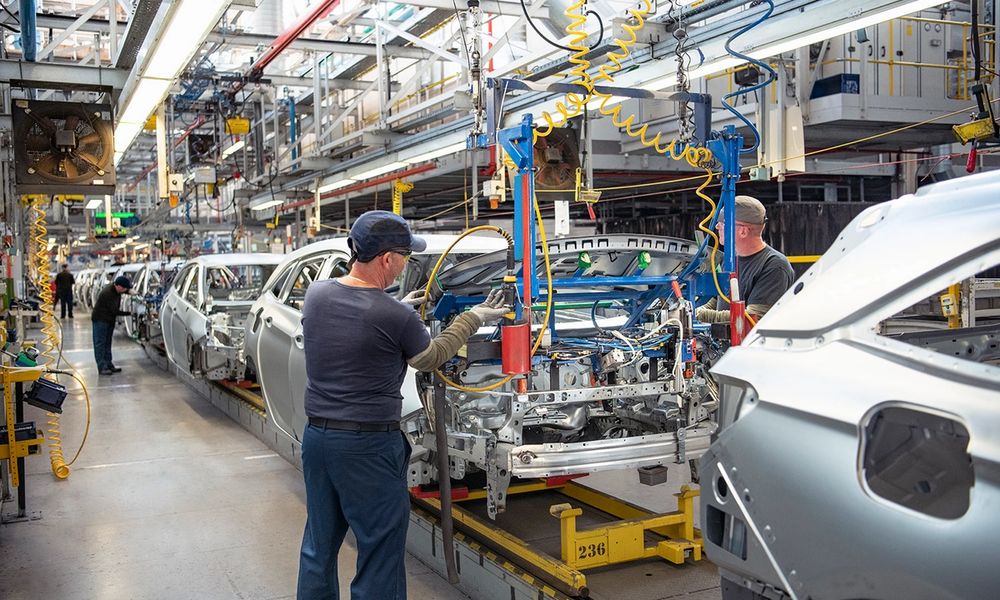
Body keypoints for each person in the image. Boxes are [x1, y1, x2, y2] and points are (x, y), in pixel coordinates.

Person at [297, 210, 509, 600]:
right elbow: (430, 357)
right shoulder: (392, 315)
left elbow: (358, 318)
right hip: (367, 449)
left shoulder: (319, 294)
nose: (405, 265)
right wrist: (472, 318)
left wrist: (398, 306)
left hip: (318, 440)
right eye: (405, 257)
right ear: (386, 259)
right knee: (379, 551)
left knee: (319, 544)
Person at [696, 195, 794, 324]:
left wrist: (697, 315)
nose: (717, 227)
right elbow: (719, 300)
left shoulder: (774, 266)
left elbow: (752, 317)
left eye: (723, 223)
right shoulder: (730, 260)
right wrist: (689, 313)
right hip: (726, 343)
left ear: (743, 231)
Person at [91, 276, 131, 375]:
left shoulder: (116, 290)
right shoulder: (107, 293)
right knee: (100, 344)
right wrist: (130, 313)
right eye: (124, 288)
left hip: (108, 320)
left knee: (107, 343)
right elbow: (115, 311)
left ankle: (108, 364)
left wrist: (130, 292)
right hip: (100, 320)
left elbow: (123, 291)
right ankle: (102, 367)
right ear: (118, 286)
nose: (125, 290)